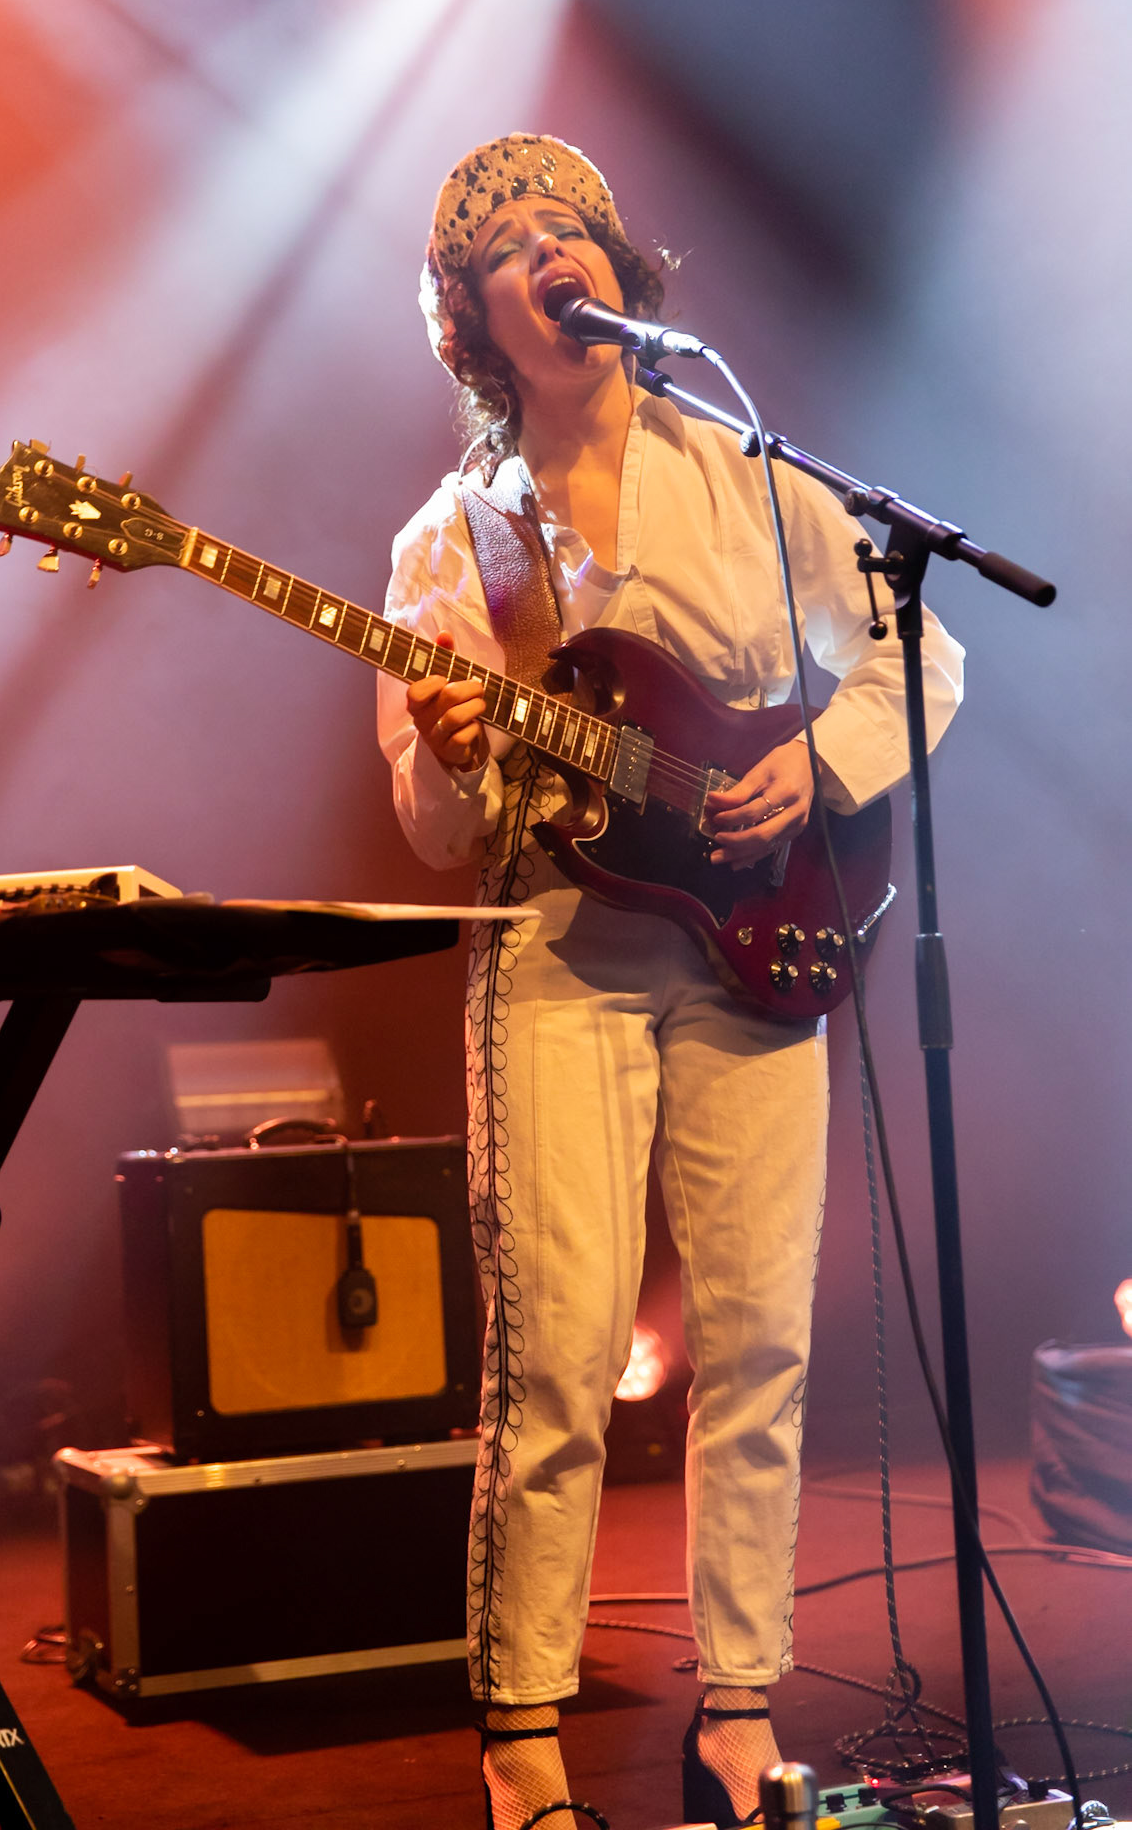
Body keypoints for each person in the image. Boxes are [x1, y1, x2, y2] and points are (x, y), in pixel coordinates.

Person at [378, 135, 963, 1830]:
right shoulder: (450, 540)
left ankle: (738, 1710)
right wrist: (439, 749)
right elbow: (426, 831)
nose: (559, 252)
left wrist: (827, 765)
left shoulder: (743, 472)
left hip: (762, 941)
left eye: (579, 231)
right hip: (554, 963)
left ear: (627, 283)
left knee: (761, 1341)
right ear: (476, 321)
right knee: (554, 1355)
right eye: (517, 247)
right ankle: (522, 1730)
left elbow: (916, 647)